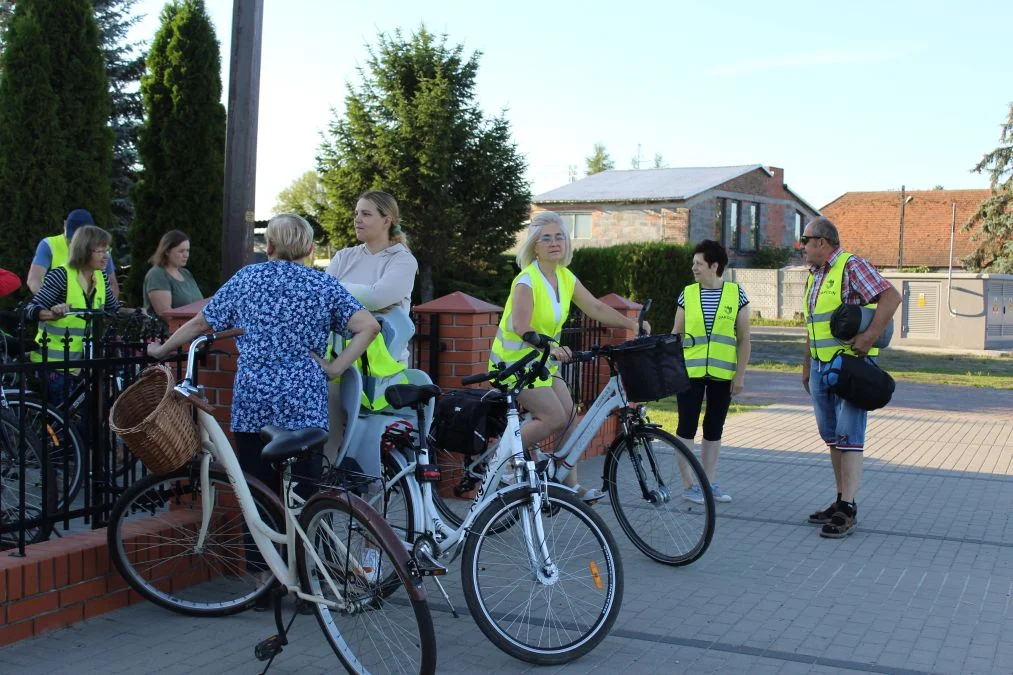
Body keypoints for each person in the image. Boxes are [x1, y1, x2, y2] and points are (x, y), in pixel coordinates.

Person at [148, 213, 379, 504]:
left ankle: (262, 548)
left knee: (258, 494)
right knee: (305, 496)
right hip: (304, 402)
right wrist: (334, 368)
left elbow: (199, 324)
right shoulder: (324, 286)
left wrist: (161, 351)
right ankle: (301, 546)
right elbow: (369, 326)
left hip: (254, 401)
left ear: (269, 246)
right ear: (309, 250)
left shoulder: (247, 279)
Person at [490, 210, 649, 503]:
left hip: (542, 364)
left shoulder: (564, 277)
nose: (554, 243)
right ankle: (506, 461)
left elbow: (596, 308)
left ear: (566, 243)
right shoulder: (527, 280)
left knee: (569, 419)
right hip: (513, 364)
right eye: (546, 238)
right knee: (552, 417)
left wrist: (631, 324)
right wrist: (548, 347)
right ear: (534, 246)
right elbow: (520, 326)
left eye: (559, 237)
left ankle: (568, 485)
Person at [801, 216, 901, 538]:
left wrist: (870, 336)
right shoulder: (813, 277)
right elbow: (813, 324)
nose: (801, 246)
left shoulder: (851, 266)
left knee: (848, 435)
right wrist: (807, 366)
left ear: (822, 242)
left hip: (849, 368)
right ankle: (841, 500)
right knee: (831, 435)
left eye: (805, 240)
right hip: (820, 369)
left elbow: (891, 296)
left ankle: (848, 507)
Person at [323, 191, 418, 455]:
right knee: (331, 446)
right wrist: (368, 296)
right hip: (339, 364)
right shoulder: (344, 256)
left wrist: (344, 293)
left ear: (387, 220)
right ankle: (330, 495)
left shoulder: (402, 259)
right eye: (356, 214)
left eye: (366, 214)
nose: (357, 220)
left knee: (366, 448)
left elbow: (378, 296)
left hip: (381, 371)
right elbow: (326, 296)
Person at [671, 240, 751, 505]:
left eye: (698, 263)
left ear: (714, 266)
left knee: (714, 428)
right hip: (689, 373)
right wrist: (671, 368)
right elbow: (676, 334)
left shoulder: (736, 294)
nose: (693, 268)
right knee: (686, 426)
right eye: (693, 263)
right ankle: (688, 485)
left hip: (722, 374)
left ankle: (708, 483)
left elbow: (744, 339)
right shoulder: (687, 294)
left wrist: (739, 375)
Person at [25, 225, 121, 401]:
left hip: (85, 364)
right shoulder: (61, 275)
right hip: (55, 366)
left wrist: (138, 312)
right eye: (100, 250)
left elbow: (113, 309)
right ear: (84, 251)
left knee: (88, 421)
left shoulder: (100, 277)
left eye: (108, 250)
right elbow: (31, 310)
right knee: (68, 424)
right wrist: (53, 314)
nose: (106, 255)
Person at [27, 209, 119, 298]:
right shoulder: (50, 245)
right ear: (65, 225)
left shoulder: (101, 250)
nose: (74, 242)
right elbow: (34, 280)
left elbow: (112, 285)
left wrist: (108, 310)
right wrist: (52, 302)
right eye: (71, 238)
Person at [143, 230, 203, 321]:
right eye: (181, 251)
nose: (186, 255)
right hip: (168, 333)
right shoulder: (157, 274)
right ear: (167, 251)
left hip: (194, 330)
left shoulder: (186, 273)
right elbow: (166, 315)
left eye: (187, 250)